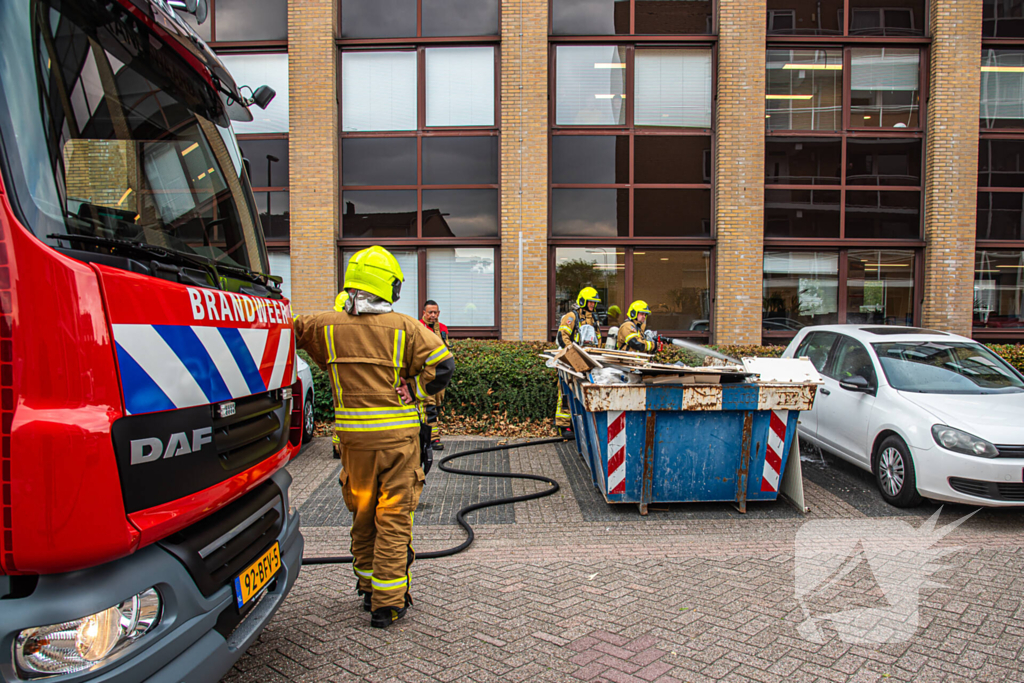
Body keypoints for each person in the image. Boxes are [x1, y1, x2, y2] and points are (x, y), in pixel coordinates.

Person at [292, 246, 454, 629]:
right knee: (394, 517)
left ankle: (366, 587)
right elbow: (443, 366)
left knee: (363, 513)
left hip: (353, 444)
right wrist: (414, 387)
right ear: (390, 287)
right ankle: (388, 604)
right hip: (398, 442)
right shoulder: (407, 327)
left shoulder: (325, 325)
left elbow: (287, 328)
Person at [554, 287, 603, 437]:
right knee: (565, 392)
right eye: (590, 302)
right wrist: (573, 357)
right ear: (583, 301)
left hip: (587, 361)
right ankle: (563, 425)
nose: (592, 305)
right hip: (571, 361)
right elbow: (563, 337)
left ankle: (578, 425)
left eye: (594, 303)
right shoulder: (571, 317)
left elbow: (598, 339)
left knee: (581, 393)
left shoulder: (593, 319)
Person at [419, 300, 449, 451]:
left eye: (435, 312)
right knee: (428, 408)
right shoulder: (418, 328)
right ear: (423, 313)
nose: (432, 315)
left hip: (440, 375)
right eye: (429, 312)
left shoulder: (442, 329)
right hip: (426, 375)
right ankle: (432, 439)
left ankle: (429, 436)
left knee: (436, 408)